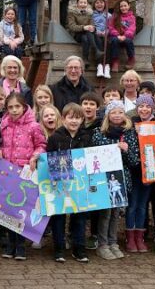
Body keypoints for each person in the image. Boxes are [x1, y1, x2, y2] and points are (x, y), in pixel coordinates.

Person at [0, 92, 46, 260]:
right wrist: (0, 151)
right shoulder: (4, 125)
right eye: (10, 107)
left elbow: (41, 145)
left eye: (17, 106)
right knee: (10, 208)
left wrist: (35, 156)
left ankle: (21, 245)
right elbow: (1, 144)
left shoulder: (33, 126)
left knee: (23, 209)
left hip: (26, 173)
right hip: (8, 171)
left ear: (24, 106)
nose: (14, 110)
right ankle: (10, 244)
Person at [92, 101, 140, 259]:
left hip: (121, 179)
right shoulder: (99, 133)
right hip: (103, 178)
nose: (117, 115)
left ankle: (113, 243)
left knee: (116, 213)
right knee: (105, 213)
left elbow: (134, 161)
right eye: (113, 112)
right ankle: (103, 244)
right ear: (107, 115)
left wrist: (126, 150)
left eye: (120, 112)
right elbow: (95, 153)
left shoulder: (129, 133)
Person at [45, 103, 90, 263]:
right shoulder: (55, 137)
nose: (74, 121)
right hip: (60, 184)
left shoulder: (86, 137)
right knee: (59, 217)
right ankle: (59, 248)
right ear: (63, 119)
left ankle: (79, 248)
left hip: (80, 184)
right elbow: (48, 158)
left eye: (77, 118)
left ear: (82, 120)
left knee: (80, 216)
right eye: (70, 117)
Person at [126, 94, 154, 253]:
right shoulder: (131, 125)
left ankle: (139, 236)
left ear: (152, 108)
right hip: (135, 171)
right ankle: (130, 236)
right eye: (141, 106)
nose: (144, 109)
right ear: (137, 108)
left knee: (143, 206)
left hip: (150, 172)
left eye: (147, 106)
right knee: (132, 205)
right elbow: (130, 148)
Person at [66, 0, 97, 67]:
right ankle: (90, 54)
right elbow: (72, 27)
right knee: (84, 37)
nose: (83, 4)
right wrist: (84, 27)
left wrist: (92, 27)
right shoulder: (72, 12)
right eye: (81, 2)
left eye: (85, 2)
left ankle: (85, 58)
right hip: (76, 34)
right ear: (77, 4)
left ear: (87, 4)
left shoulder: (90, 13)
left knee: (85, 38)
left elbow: (92, 24)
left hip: (87, 35)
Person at [107, 0, 137, 73]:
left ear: (129, 6)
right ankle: (115, 61)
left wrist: (125, 36)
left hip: (126, 37)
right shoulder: (115, 16)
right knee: (114, 41)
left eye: (125, 6)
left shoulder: (132, 17)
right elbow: (110, 27)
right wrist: (117, 35)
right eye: (121, 6)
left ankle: (131, 58)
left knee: (128, 41)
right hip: (116, 37)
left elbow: (132, 28)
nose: (123, 8)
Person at [92, 0, 112, 78]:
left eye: (101, 3)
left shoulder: (109, 15)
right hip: (96, 34)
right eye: (97, 3)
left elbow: (110, 26)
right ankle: (99, 65)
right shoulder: (92, 14)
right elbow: (91, 24)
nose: (99, 4)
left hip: (105, 34)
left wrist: (106, 32)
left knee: (108, 43)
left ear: (104, 4)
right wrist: (97, 31)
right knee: (99, 42)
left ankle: (107, 66)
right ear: (94, 5)